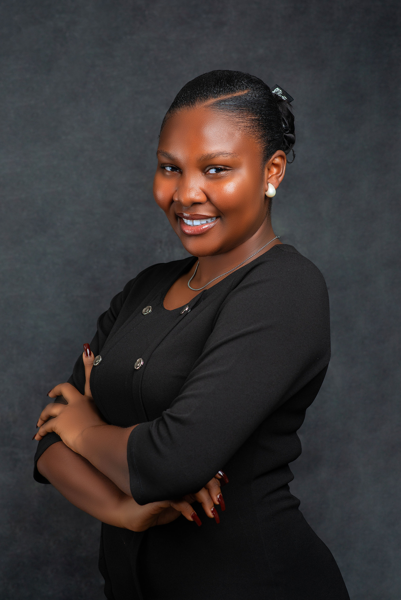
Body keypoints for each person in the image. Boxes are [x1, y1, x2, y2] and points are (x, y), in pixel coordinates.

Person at [33, 70, 350, 599]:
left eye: (216, 169)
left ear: (272, 170)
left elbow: (170, 463)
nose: (185, 194)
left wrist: (86, 432)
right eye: (170, 168)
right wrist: (124, 510)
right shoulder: (144, 288)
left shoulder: (285, 288)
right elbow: (47, 439)